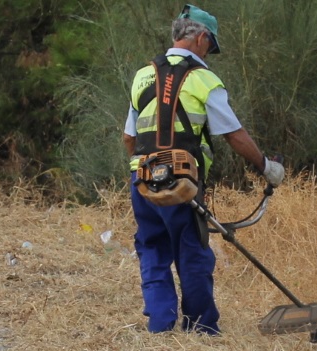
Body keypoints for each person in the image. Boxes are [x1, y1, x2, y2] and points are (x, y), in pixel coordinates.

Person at [122, 4, 284, 335]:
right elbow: (235, 135)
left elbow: (129, 137)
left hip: (142, 179)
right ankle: (201, 328)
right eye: (211, 46)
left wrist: (143, 171)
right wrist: (266, 167)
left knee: (152, 248)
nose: (210, 53)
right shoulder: (204, 80)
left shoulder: (143, 75)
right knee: (193, 253)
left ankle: (160, 325)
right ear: (201, 38)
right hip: (182, 182)